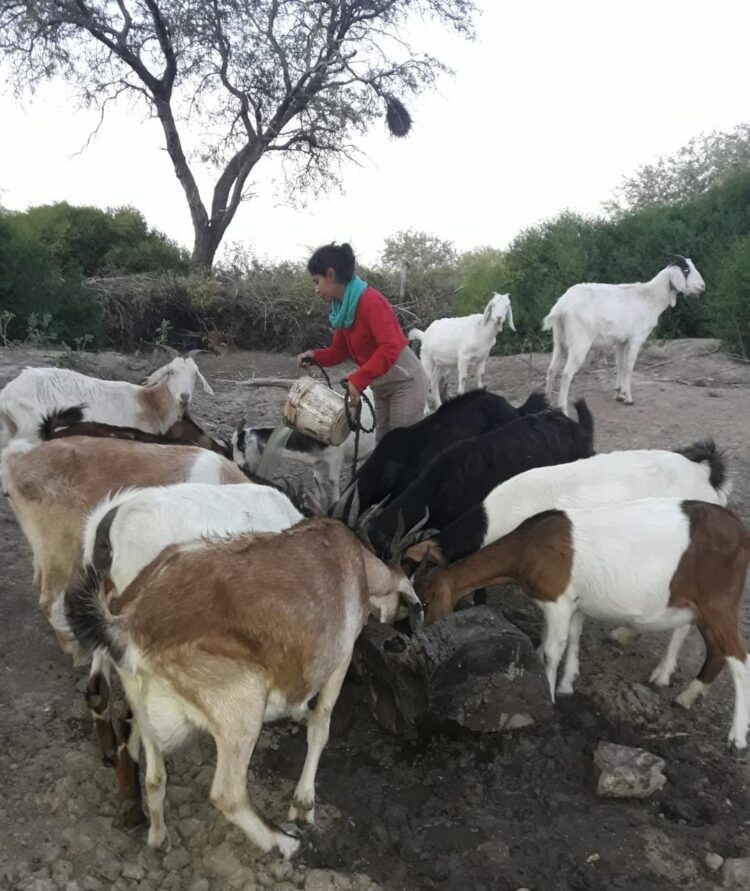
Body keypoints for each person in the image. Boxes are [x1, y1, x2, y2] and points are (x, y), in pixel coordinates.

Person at [298, 242, 427, 442]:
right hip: (382, 384)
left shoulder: (371, 302)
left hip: (405, 381)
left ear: (330, 274)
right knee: (384, 446)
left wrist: (359, 379)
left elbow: (391, 346)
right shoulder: (342, 310)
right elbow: (340, 351)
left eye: (316, 281)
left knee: (399, 449)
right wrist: (315, 356)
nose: (316, 289)